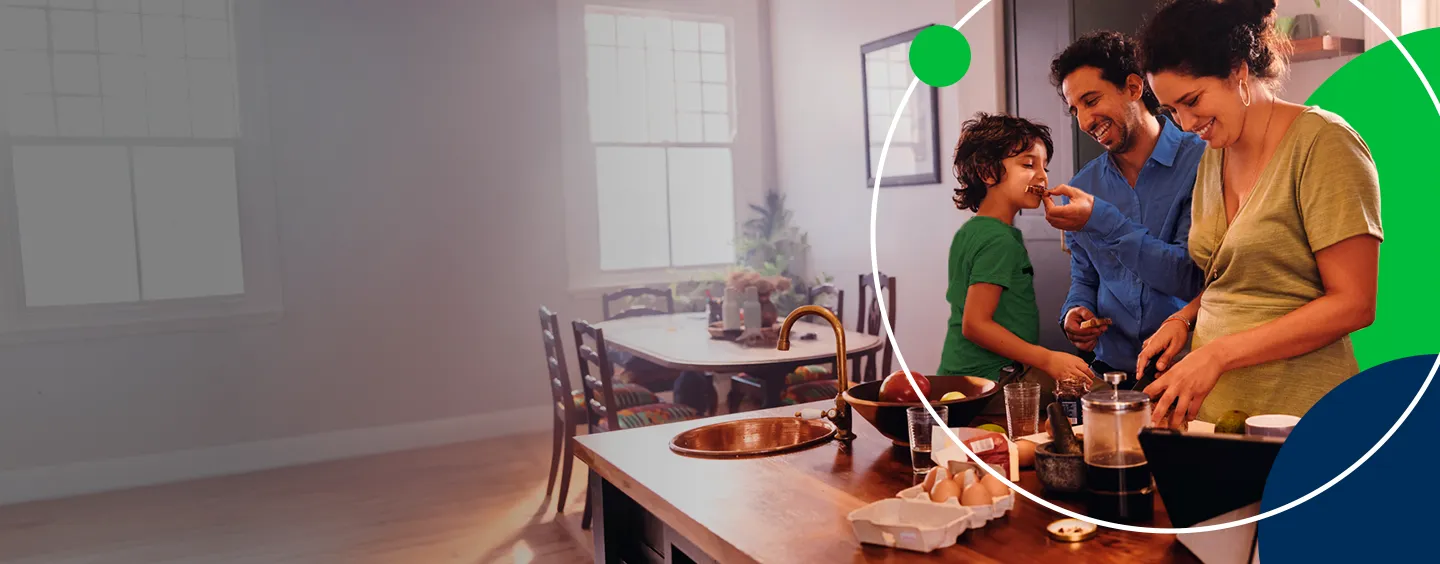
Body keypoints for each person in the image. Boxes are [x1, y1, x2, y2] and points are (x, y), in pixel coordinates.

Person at [1136, 0, 1382, 427]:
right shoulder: (1215, 155)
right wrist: (1185, 317)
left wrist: (1217, 354)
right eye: (1172, 110)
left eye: (1192, 100)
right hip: (1217, 414)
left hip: (1302, 413)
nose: (1185, 122)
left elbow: (1354, 303)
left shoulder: (1324, 144)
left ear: (1238, 71)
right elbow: (1240, 277)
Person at [1044, 31, 1207, 388]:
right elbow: (1085, 277)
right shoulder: (1084, 186)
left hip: (1186, 373)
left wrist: (1102, 220)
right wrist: (1074, 313)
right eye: (1075, 110)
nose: (1085, 121)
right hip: (1111, 374)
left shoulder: (1202, 162)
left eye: (1091, 100)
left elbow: (1188, 277)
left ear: (1133, 87)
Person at [936, 112, 1093, 385]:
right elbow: (975, 325)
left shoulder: (972, 230)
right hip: (992, 380)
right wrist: (1048, 359)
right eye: (1028, 164)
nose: (1042, 176)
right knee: (1094, 394)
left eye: (1045, 166)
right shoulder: (999, 240)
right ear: (987, 172)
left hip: (964, 376)